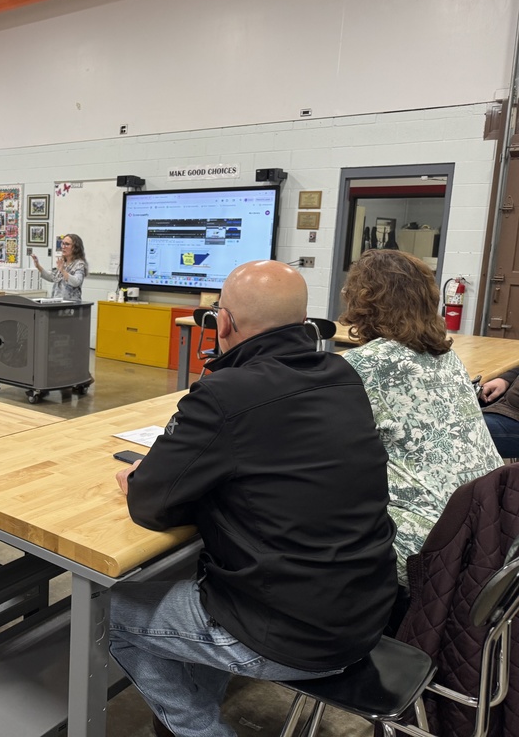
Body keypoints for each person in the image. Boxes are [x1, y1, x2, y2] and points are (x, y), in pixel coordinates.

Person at [109, 260, 398, 737]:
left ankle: (198, 729)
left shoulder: (226, 392)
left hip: (289, 635)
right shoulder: (342, 376)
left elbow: (150, 505)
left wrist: (145, 479)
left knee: (115, 608)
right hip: (365, 614)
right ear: (306, 324)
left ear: (221, 322)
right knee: (199, 577)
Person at [340, 249, 501, 580]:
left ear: (361, 301)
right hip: (494, 530)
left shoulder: (358, 367)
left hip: (429, 546)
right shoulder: (447, 356)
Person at [30, 233, 86, 300]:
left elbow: (76, 282)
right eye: (62, 243)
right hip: (57, 302)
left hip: (71, 304)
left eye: (67, 244)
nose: (63, 247)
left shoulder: (79, 264)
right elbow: (52, 277)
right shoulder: (63, 262)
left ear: (75, 248)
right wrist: (38, 265)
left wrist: (62, 270)